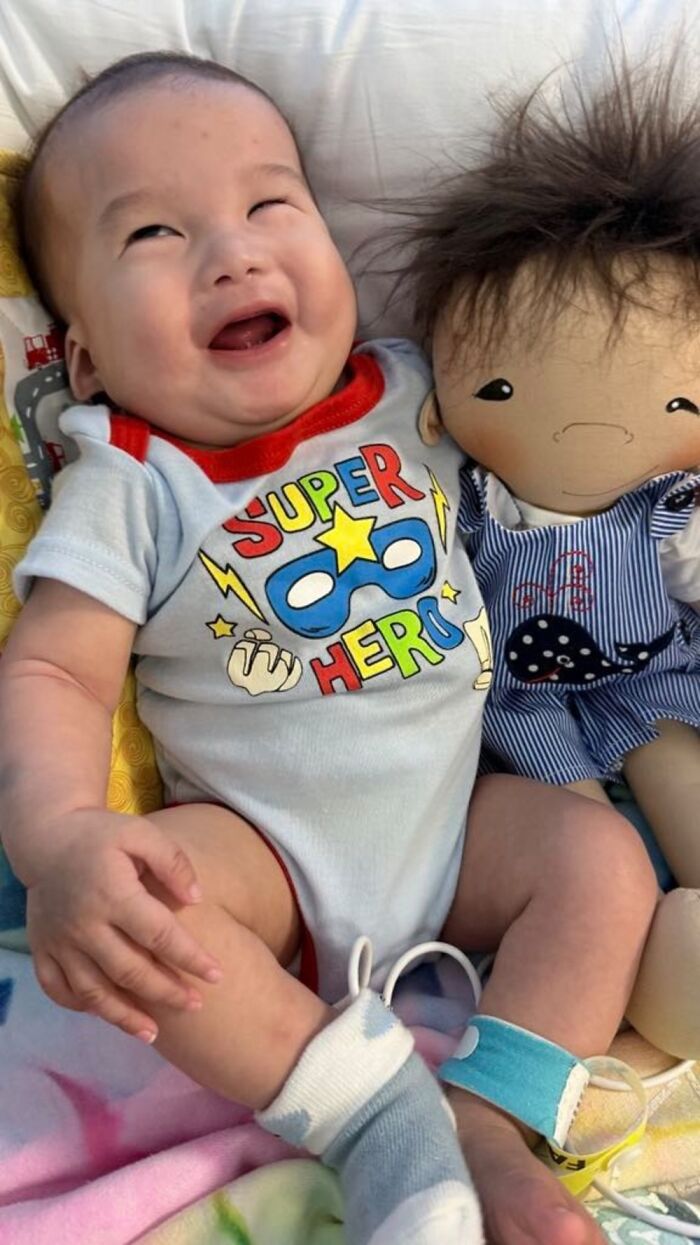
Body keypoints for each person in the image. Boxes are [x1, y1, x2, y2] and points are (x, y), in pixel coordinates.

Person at [0, 52, 657, 1245]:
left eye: (269, 205)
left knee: (601, 863)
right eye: (154, 233)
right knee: (157, 919)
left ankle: (487, 1125)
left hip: (462, 831)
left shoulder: (414, 392)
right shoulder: (133, 475)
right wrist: (57, 841)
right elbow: (52, 668)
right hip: (262, 859)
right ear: (84, 354)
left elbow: (563, 440)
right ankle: (369, 1118)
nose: (233, 253)